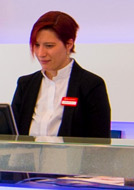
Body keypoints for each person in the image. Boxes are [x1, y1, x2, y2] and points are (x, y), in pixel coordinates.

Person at [11, 10, 110, 140]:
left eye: (49, 46)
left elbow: (99, 143)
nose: (41, 53)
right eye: (36, 45)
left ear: (69, 44)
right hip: (28, 160)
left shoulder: (91, 85)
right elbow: (12, 134)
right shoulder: (25, 84)